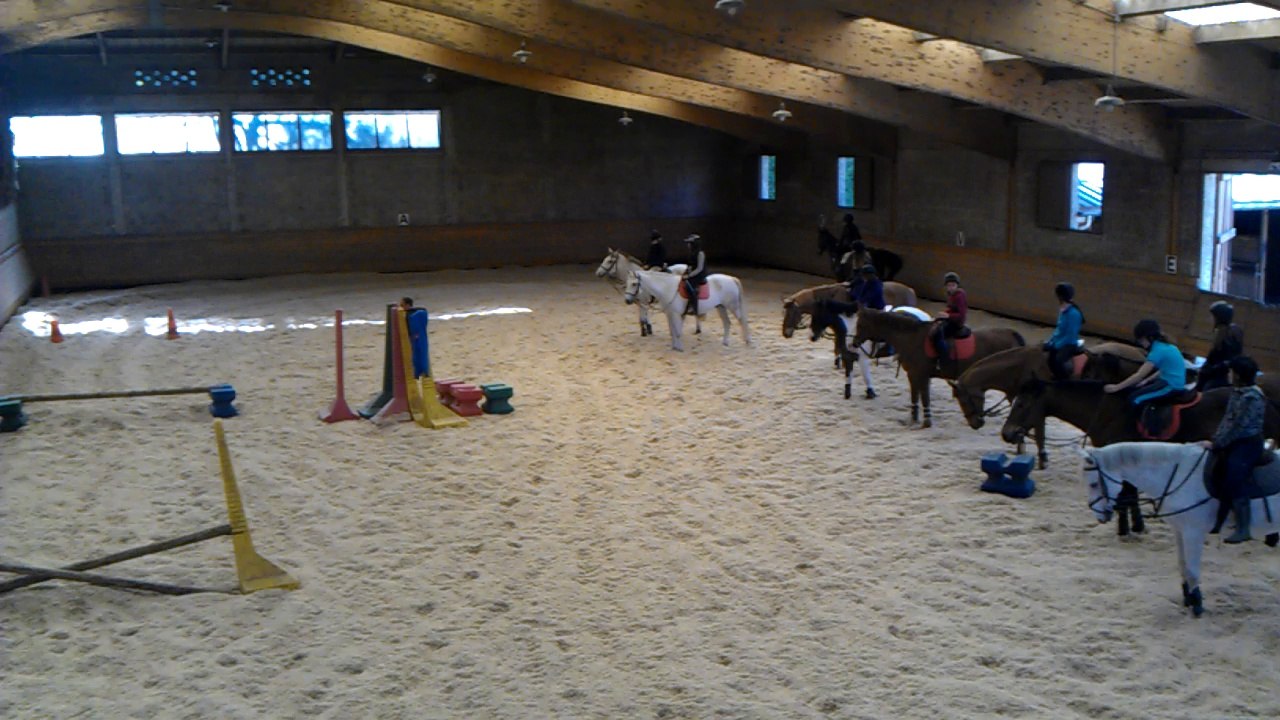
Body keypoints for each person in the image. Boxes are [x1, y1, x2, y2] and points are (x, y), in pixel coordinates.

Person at [1199, 356, 1267, 543]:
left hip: (1247, 443)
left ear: (1238, 375)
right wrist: (1216, 439)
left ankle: (1244, 527)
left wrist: (1218, 444)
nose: (1228, 375)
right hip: (1234, 440)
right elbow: (1227, 421)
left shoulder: (1251, 396)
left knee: (1235, 475)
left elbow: (1239, 426)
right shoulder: (1237, 392)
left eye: (1231, 372)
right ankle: (1219, 519)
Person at [1104, 319, 1186, 412]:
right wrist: (1147, 380)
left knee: (1134, 399)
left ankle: (1136, 426)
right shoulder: (1168, 346)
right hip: (1170, 382)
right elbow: (1163, 370)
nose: (1141, 344)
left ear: (1150, 338)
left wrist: (1116, 387)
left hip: (1171, 386)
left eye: (1141, 340)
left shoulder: (1157, 351)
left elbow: (1139, 375)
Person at [847, 264, 884, 398]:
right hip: (866, 311)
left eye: (866, 275)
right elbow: (860, 295)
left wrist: (861, 303)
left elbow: (868, 298)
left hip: (877, 311)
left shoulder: (876, 285)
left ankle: (883, 345)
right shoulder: (867, 283)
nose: (864, 278)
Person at [1196, 300, 1244, 391]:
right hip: (1218, 373)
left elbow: (1222, 360)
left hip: (1219, 376)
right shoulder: (1232, 331)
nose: (1209, 319)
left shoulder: (1225, 335)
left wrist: (1207, 370)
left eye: (1212, 316)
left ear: (1218, 318)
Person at [1043, 282, 1084, 381]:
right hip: (1059, 341)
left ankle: (1064, 381)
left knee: (1058, 361)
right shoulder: (1063, 311)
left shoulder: (1074, 314)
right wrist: (1050, 341)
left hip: (1069, 343)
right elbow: (1058, 329)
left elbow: (1070, 335)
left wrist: (1055, 345)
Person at [932, 271, 967, 369]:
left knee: (938, 334)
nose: (951, 287)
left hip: (956, 323)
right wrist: (943, 314)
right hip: (951, 319)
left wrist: (948, 316)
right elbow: (952, 309)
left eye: (953, 285)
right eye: (949, 285)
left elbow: (961, 315)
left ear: (957, 285)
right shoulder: (951, 295)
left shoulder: (959, 296)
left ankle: (944, 358)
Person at [399, 297, 430, 379]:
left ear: (407, 305)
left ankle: (422, 371)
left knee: (419, 352)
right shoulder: (411, 313)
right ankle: (420, 372)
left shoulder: (413, 313)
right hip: (415, 335)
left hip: (416, 335)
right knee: (418, 353)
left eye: (402, 305)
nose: (401, 307)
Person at [682, 234, 707, 318]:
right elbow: (690, 265)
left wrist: (689, 276)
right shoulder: (691, 253)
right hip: (692, 273)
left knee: (689, 286)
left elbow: (699, 268)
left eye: (689, 243)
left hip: (699, 275)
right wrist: (685, 272)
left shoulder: (700, 253)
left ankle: (694, 307)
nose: (688, 245)